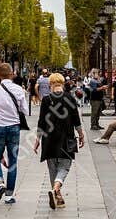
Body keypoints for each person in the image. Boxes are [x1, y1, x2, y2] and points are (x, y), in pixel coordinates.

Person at [32, 73, 83, 210]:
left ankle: (57, 196)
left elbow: (41, 121)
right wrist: (81, 135)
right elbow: (76, 119)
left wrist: (37, 139)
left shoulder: (46, 100)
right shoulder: (70, 98)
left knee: (52, 169)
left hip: (49, 140)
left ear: (50, 85)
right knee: (65, 167)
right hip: (66, 139)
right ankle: (56, 189)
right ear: (62, 84)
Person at [0, 62, 30, 204]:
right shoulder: (18, 89)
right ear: (11, 74)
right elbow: (25, 111)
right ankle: (9, 195)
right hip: (14, 127)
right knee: (13, 161)